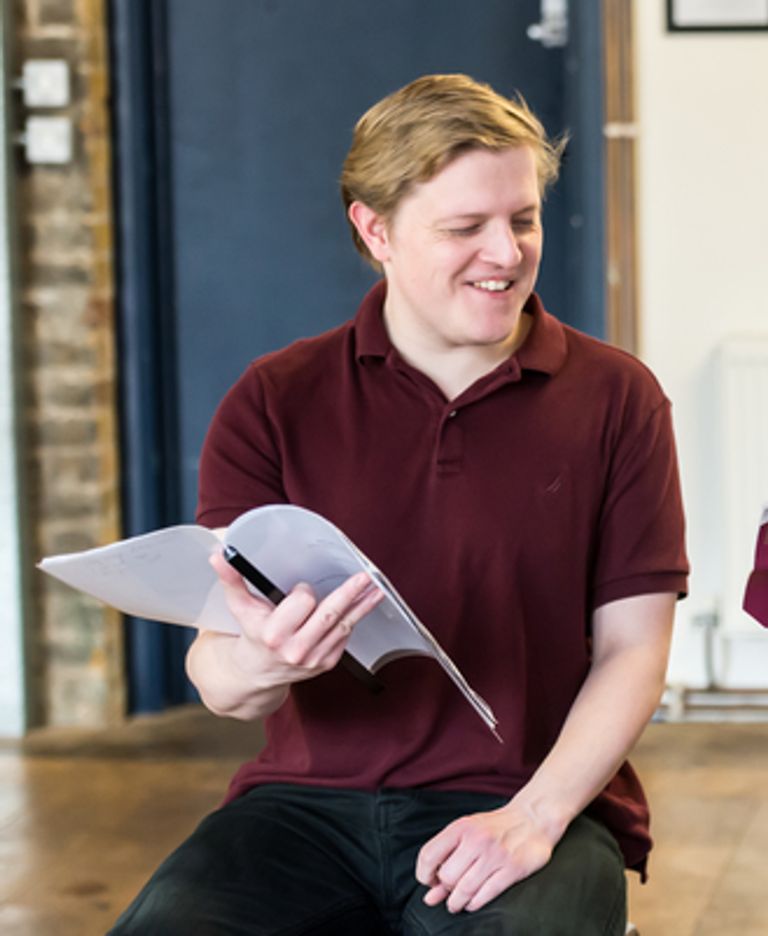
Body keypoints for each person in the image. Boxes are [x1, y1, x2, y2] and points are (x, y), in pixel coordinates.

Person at [112, 74, 687, 935]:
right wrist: (261, 662)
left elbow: (634, 651)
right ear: (375, 230)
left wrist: (536, 817)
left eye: (523, 219)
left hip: (525, 796)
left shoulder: (617, 398)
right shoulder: (274, 400)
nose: (506, 253)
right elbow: (222, 681)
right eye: (465, 227)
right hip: (304, 808)